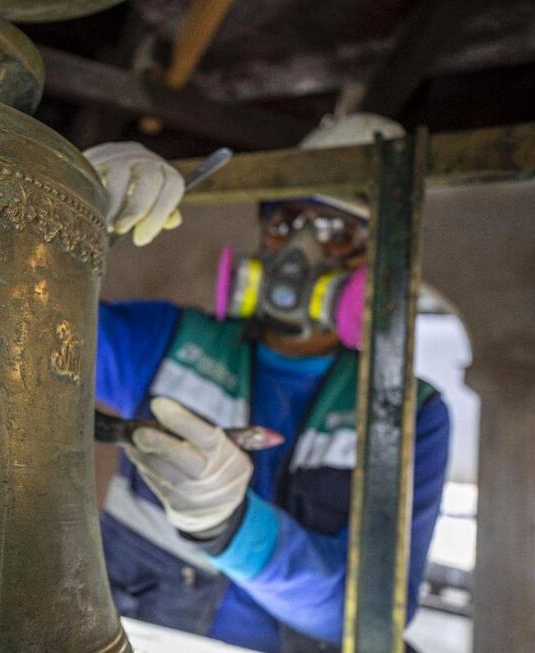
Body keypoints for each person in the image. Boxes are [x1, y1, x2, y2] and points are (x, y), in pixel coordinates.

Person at [83, 114, 450, 653]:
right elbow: (19, 332)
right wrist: (72, 216)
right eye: (286, 221)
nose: (300, 249)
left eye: (337, 232)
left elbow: (369, 612)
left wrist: (227, 526)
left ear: (381, 257)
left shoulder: (408, 410)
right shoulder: (165, 337)